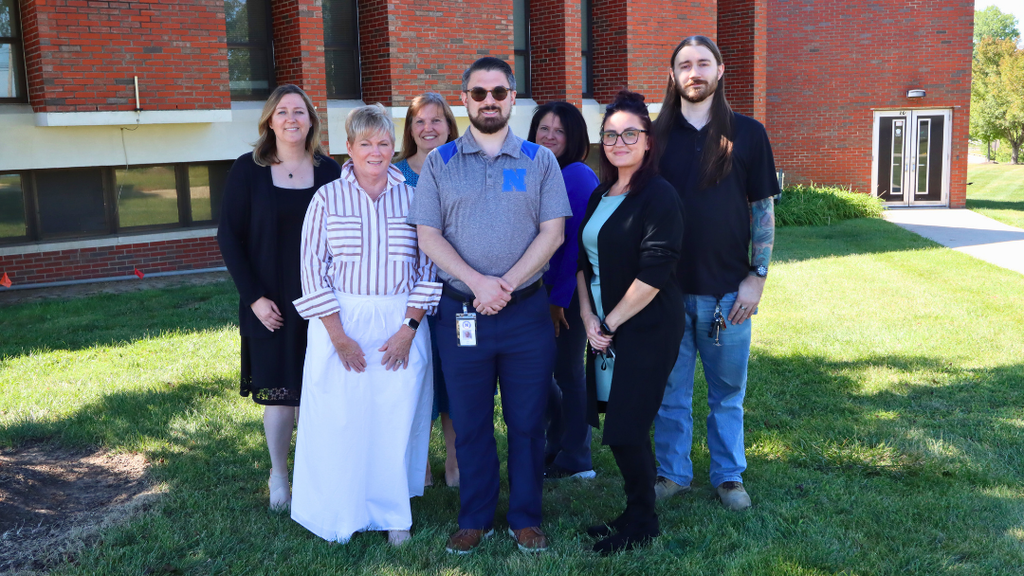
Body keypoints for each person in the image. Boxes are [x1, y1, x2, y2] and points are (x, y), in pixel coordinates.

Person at [408, 57, 571, 554]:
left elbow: (554, 232)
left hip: (524, 313)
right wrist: (479, 283)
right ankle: (474, 516)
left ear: (513, 98)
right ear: (465, 99)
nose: (489, 101)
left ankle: (525, 516)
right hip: (461, 313)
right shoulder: (440, 163)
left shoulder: (539, 161)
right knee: (471, 420)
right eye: (479, 93)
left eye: (498, 92)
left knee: (526, 421)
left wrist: (506, 285)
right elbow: (428, 236)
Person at [289, 104, 441, 546]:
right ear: (349, 149)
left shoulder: (413, 197)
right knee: (342, 419)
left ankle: (395, 513)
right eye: (366, 143)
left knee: (395, 420)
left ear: (394, 147)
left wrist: (407, 330)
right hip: (340, 322)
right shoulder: (326, 199)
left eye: (384, 142)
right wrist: (337, 337)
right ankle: (342, 509)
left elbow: (429, 268)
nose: (376, 151)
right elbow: (311, 268)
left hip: (401, 321)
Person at [651, 35, 779, 511]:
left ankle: (728, 476)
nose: (694, 72)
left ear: (720, 71)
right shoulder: (655, 136)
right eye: (684, 64)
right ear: (672, 75)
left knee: (727, 394)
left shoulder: (748, 133)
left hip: (728, 292)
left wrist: (758, 275)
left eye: (703, 63)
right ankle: (673, 474)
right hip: (663, 291)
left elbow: (762, 209)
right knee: (671, 392)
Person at [216, 84, 341, 512]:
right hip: (268, 301)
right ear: (270, 120)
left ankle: (313, 471)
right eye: (283, 111)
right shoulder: (247, 170)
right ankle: (279, 474)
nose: (291, 119)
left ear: (311, 120)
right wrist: (254, 298)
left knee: (318, 391)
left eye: (299, 112)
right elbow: (229, 238)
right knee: (280, 394)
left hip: (322, 299)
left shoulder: (330, 170)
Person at [576, 90, 685, 554]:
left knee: (626, 425)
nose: (619, 141)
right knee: (617, 423)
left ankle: (643, 522)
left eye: (630, 134)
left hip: (646, 325)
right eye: (611, 134)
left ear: (647, 142)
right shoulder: (602, 192)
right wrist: (586, 316)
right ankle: (635, 510)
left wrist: (610, 323)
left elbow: (655, 272)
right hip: (603, 326)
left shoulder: (658, 196)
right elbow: (583, 261)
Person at [526, 102, 600, 480]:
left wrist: (558, 302)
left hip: (565, 295)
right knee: (542, 374)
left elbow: (574, 246)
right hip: (533, 292)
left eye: (559, 131)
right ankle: (559, 443)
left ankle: (577, 457)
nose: (549, 136)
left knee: (569, 374)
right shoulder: (533, 169)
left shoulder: (577, 176)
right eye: (543, 128)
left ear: (574, 139)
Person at [394, 92, 462, 488]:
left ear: (450, 127)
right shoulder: (395, 172)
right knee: (414, 380)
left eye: (437, 120)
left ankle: (454, 462)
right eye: (419, 121)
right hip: (407, 295)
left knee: (453, 380)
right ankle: (417, 462)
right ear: (410, 130)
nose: (428, 128)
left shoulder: (462, 170)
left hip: (453, 291)